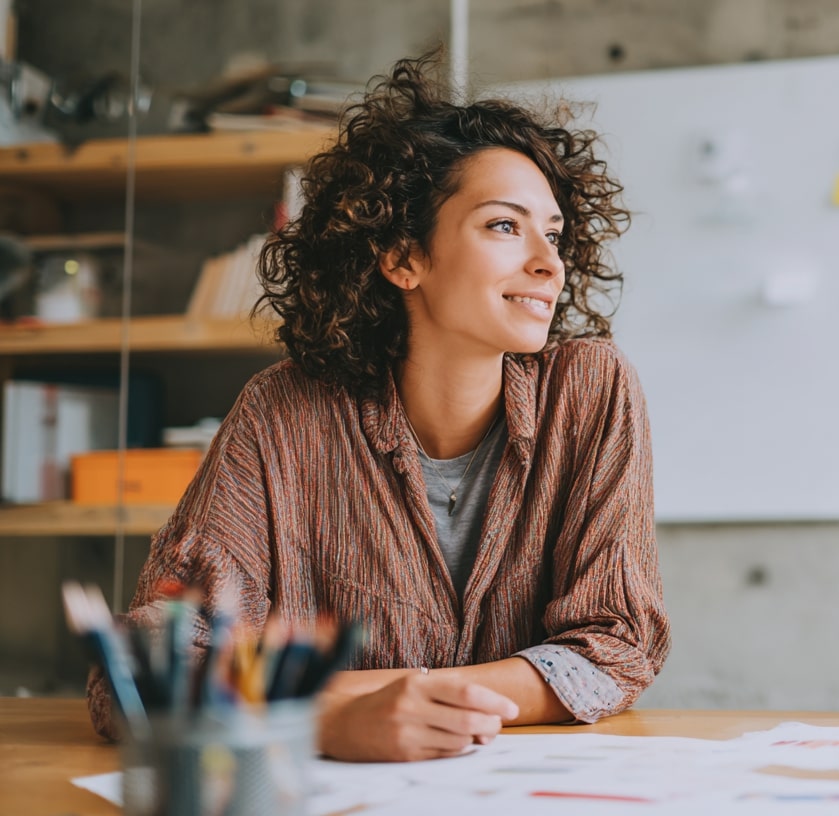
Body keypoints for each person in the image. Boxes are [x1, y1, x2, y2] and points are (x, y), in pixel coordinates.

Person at [87, 53, 670, 761]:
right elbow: (139, 676)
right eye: (504, 226)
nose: (550, 263)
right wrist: (328, 723)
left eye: (554, 232)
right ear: (402, 258)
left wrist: (357, 696)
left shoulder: (592, 391)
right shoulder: (283, 414)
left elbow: (615, 646)